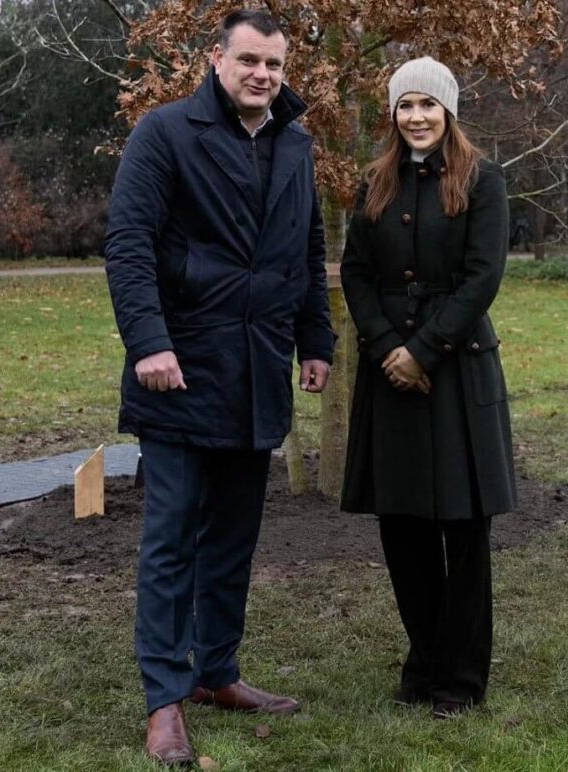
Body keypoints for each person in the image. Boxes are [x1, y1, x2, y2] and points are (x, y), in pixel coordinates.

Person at [104, 9, 334, 765]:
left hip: (257, 372)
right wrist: (149, 343)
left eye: (274, 64)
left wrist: (316, 339)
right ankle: (164, 699)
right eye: (249, 61)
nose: (262, 75)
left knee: (233, 539)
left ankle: (217, 674)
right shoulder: (162, 133)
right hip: (178, 371)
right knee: (170, 542)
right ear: (217, 59)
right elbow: (129, 244)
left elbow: (305, 245)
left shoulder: (294, 144)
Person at [340, 57, 517, 719]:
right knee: (405, 526)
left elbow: (482, 277)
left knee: (464, 532)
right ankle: (425, 659)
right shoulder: (373, 183)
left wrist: (424, 349)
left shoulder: (482, 180)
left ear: (449, 111)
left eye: (428, 105)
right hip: (392, 379)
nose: (416, 117)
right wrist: (388, 348)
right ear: (393, 113)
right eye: (405, 105)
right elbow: (356, 274)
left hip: (458, 372)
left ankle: (460, 678)